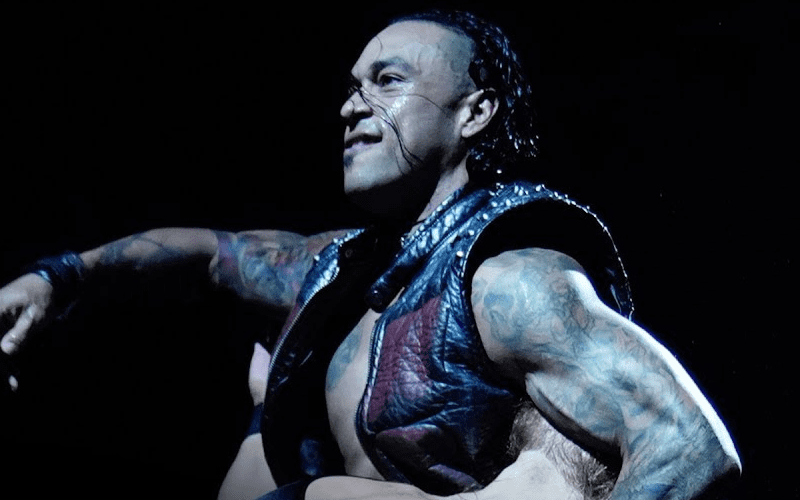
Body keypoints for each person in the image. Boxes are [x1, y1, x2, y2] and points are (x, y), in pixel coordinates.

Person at [0, 9, 740, 500]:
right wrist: (56, 277)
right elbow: (211, 256)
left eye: (388, 81)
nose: (352, 105)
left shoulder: (511, 279)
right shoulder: (334, 270)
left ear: (475, 112)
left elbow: (688, 445)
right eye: (353, 87)